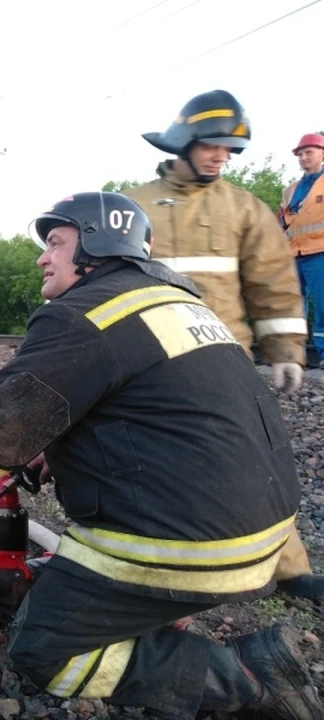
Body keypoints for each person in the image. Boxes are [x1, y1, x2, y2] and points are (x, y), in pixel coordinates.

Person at [0, 192, 321, 720]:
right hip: (263, 531)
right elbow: (162, 413)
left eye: (55, 242)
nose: (42, 257)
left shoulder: (81, 315)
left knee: (45, 650)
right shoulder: (178, 305)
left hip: (195, 552)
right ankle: (153, 615)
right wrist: (62, 450)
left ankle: (246, 676)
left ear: (96, 246)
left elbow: (0, 430)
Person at [122, 89, 324, 602]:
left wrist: (286, 350)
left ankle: (290, 570)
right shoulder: (137, 205)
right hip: (150, 363)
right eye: (213, 145)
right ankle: (147, 569)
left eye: (230, 150)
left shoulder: (244, 209)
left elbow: (274, 282)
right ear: (185, 142)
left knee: (257, 461)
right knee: (145, 464)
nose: (221, 156)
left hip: (224, 362)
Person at [280, 132, 324, 368]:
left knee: (323, 304)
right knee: (292, 306)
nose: (303, 157)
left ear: (322, 154)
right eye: (300, 153)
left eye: (309, 152)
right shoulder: (291, 189)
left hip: (320, 252)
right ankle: (294, 356)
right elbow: (282, 221)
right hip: (293, 254)